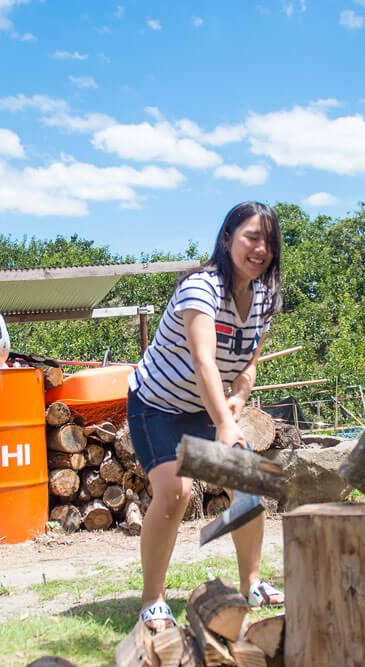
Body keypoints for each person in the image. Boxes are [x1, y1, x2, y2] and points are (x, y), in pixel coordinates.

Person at [127, 201, 285, 630]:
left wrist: (241, 392)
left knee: (248, 481)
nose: (260, 248)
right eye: (252, 237)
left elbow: (249, 362)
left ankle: (251, 583)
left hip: (207, 404)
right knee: (176, 493)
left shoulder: (267, 295)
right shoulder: (201, 288)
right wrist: (224, 423)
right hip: (158, 406)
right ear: (228, 238)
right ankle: (152, 600)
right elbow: (204, 362)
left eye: (268, 241)